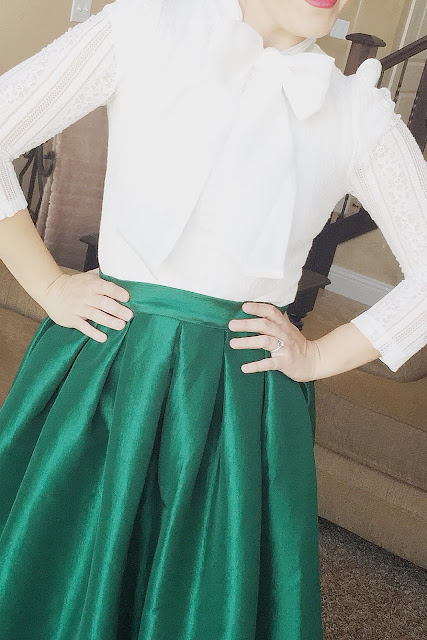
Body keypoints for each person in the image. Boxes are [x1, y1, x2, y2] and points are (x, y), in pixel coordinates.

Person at [0, 0, 425, 638]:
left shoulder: (356, 113)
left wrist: (320, 355)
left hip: (239, 397)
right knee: (59, 571)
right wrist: (48, 283)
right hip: (110, 366)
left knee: (202, 602)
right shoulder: (143, 29)